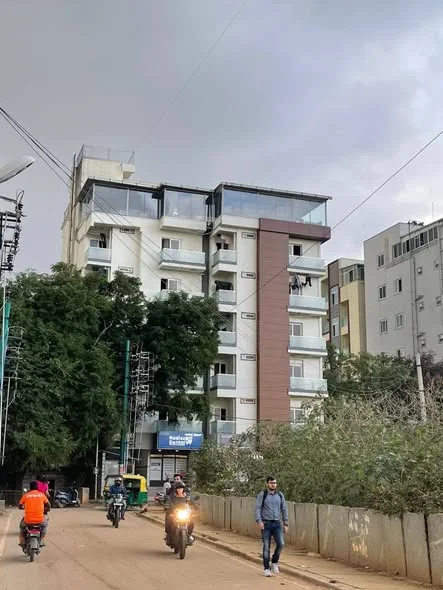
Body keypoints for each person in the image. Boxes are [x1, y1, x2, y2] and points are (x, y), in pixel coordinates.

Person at [255, 476, 289, 577]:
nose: (273, 485)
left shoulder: (280, 495)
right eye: (271, 483)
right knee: (266, 546)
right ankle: (266, 568)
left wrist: (285, 523)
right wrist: (259, 521)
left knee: (281, 543)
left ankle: (274, 562)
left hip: (277, 523)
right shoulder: (263, 495)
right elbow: (257, 508)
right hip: (266, 524)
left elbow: (284, 509)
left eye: (274, 483)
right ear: (267, 484)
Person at [18, 480, 51, 548]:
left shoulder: (26, 495)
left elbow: (19, 505)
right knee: (45, 525)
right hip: (40, 520)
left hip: (27, 521)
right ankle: (41, 540)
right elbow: (48, 505)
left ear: (30, 487)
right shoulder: (42, 495)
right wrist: (48, 509)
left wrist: (21, 507)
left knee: (22, 527)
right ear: (37, 487)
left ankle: (22, 542)